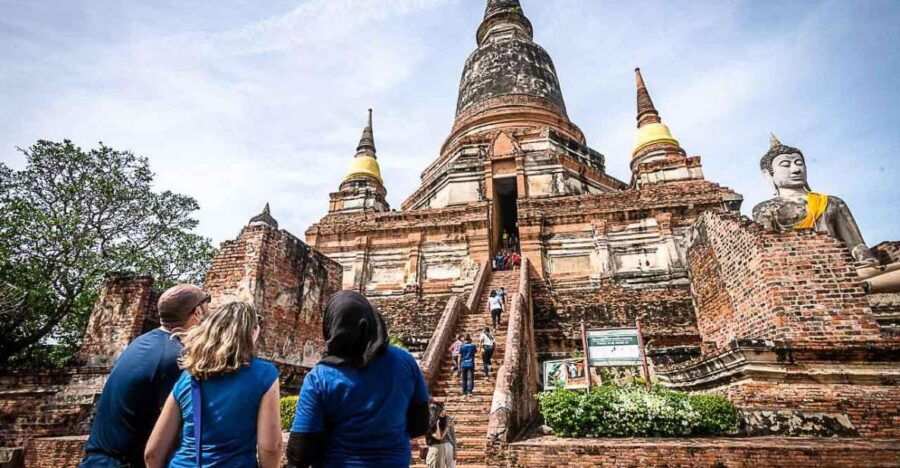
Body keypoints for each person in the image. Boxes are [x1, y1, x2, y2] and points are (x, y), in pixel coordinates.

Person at [286, 291, 430, 467]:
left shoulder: (320, 377)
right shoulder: (404, 362)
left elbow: (300, 450)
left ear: (331, 325)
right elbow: (420, 424)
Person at [80, 284, 209, 468]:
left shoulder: (142, 343)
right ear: (198, 312)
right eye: (207, 301)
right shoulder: (175, 358)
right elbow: (174, 432)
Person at [144, 302, 282, 468]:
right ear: (252, 333)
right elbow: (270, 448)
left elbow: (152, 453)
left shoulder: (189, 376)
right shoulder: (264, 374)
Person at [426, 402, 456, 468]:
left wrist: (447, 426)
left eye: (444, 409)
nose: (443, 412)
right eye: (441, 410)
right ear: (436, 411)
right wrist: (437, 425)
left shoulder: (441, 420)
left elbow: (443, 437)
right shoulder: (430, 423)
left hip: (441, 449)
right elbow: (438, 437)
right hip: (435, 450)